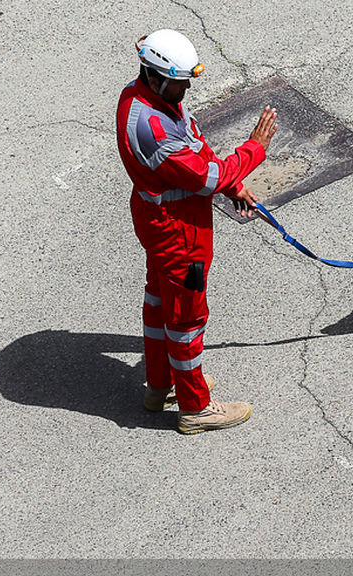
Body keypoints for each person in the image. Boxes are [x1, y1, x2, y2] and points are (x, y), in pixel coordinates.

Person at [117, 29, 278, 434]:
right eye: (179, 82)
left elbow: (195, 151)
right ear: (154, 76)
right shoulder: (152, 128)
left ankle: (159, 386)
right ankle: (195, 408)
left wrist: (232, 186)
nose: (186, 88)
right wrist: (253, 150)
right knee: (188, 318)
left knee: (158, 303)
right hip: (180, 233)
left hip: (158, 222)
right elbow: (204, 175)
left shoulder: (140, 97)